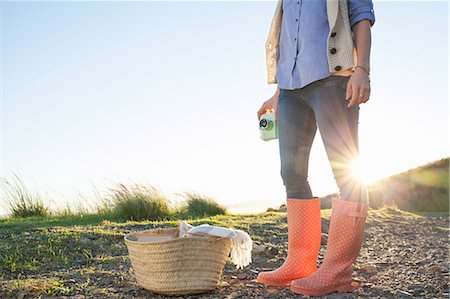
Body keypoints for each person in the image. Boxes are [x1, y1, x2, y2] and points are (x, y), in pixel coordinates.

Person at [255, 0, 375, 296]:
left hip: (333, 81)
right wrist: (277, 93)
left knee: (346, 172)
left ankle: (337, 272)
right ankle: (299, 263)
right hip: (291, 91)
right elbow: (292, 41)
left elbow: (362, 17)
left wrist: (362, 70)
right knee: (291, 174)